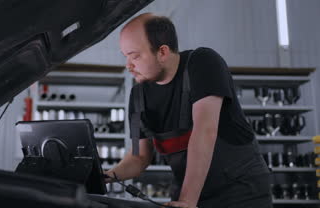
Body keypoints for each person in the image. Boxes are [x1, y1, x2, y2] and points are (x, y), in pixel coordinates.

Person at [104, 13, 272, 208]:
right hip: (189, 192)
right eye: (126, 57)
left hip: (240, 192)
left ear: (163, 52)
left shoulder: (203, 63)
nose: (128, 66)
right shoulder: (137, 96)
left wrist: (186, 201)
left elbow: (205, 132)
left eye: (135, 56)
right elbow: (138, 157)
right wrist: (106, 176)